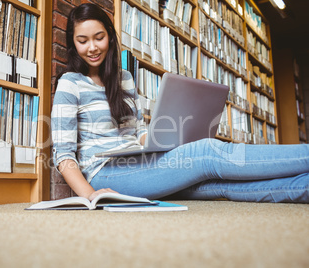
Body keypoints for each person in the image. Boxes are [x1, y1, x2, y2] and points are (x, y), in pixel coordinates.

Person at [51, 3, 309, 203]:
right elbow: (63, 155)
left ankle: (303, 189)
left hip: (142, 163)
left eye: (99, 37)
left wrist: (164, 142)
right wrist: (89, 194)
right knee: (207, 153)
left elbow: (139, 132)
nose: (92, 48)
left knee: (215, 185)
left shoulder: (125, 79)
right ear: (73, 44)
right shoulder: (70, 83)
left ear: (110, 36)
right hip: (104, 173)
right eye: (82, 41)